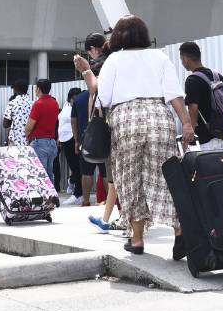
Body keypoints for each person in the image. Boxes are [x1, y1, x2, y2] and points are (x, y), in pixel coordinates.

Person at [80, 15, 195, 256]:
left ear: (119, 36)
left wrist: (88, 74)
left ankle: (138, 239)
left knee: (130, 179)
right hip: (158, 118)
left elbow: (105, 97)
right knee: (167, 177)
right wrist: (186, 124)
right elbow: (175, 94)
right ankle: (180, 233)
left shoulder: (114, 60)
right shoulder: (161, 57)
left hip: (126, 119)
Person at [74, 33, 124, 230]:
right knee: (114, 178)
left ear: (93, 50)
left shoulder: (101, 65)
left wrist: (86, 70)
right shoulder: (119, 63)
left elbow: (94, 89)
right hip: (120, 121)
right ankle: (106, 220)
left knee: (116, 176)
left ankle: (128, 219)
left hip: (109, 124)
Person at [180, 41, 223, 151]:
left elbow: (193, 112)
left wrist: (186, 141)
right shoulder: (217, 76)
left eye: (182, 59)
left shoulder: (192, 80)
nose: (182, 62)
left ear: (186, 59)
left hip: (206, 141)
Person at [25, 78, 60, 190]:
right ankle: (50, 196)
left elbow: (30, 126)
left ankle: (41, 198)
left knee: (39, 173)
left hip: (39, 142)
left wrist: (26, 134)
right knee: (49, 173)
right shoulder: (55, 103)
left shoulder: (38, 104)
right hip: (51, 142)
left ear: (38, 89)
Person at [58, 86, 83, 204]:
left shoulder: (78, 107)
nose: (75, 100)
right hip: (64, 139)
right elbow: (61, 122)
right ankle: (74, 185)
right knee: (73, 166)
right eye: (73, 98)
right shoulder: (66, 105)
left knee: (76, 167)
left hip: (72, 138)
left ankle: (78, 193)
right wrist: (58, 138)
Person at [3, 79, 31, 147]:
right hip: (29, 140)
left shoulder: (12, 103)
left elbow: (5, 124)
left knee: (13, 157)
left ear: (15, 89)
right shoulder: (33, 103)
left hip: (15, 140)